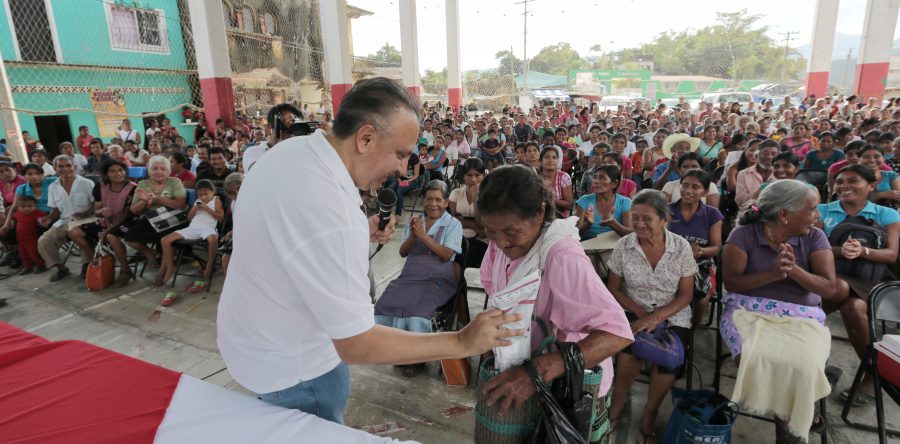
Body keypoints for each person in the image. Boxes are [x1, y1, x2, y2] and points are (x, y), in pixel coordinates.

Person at [217, 78, 522, 424]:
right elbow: (357, 343)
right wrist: (462, 342)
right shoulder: (333, 213)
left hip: (252, 345)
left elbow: (294, 242)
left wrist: (361, 233)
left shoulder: (287, 153)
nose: (404, 171)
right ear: (365, 138)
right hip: (298, 374)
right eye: (401, 154)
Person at [476, 165, 633, 442]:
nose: (500, 242)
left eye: (511, 232)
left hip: (567, 390)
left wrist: (535, 373)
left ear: (539, 212)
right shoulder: (499, 245)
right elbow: (499, 300)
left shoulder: (561, 256)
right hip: (522, 373)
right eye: (489, 231)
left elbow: (616, 333)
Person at [721, 179, 839, 442]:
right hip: (747, 311)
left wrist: (793, 269)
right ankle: (791, 418)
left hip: (802, 317)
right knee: (756, 356)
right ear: (784, 215)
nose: (817, 215)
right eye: (812, 209)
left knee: (805, 365)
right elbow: (733, 283)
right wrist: (773, 274)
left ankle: (787, 419)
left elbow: (829, 288)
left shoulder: (815, 237)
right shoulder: (743, 235)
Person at [607, 190, 698, 443]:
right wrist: (640, 314)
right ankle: (618, 402)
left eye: (647, 219)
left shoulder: (680, 248)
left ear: (665, 219)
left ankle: (650, 414)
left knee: (669, 360)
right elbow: (613, 288)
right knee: (629, 348)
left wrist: (656, 318)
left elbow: (686, 295)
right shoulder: (624, 246)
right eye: (634, 218)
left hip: (673, 313)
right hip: (633, 307)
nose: (639, 224)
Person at [816, 164, 900, 405]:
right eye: (840, 181)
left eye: (853, 181)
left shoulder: (887, 215)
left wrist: (862, 250)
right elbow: (813, 248)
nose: (844, 186)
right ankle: (816, 364)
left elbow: (891, 255)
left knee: (854, 307)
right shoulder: (822, 210)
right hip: (829, 273)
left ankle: (871, 375)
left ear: (871, 186)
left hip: (865, 277)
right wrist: (839, 250)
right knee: (844, 296)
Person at [374, 180, 463, 376]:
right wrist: (413, 236)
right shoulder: (416, 221)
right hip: (411, 275)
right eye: (429, 199)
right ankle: (400, 353)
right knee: (387, 303)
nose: (433, 204)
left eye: (438, 200)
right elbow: (403, 253)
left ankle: (418, 358)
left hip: (438, 279)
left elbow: (447, 255)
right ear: (423, 201)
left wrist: (423, 236)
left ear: (446, 202)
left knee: (416, 311)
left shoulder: (453, 224)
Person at [154, 179, 223, 305]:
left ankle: (209, 265)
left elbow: (220, 217)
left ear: (212, 192)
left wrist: (207, 208)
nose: (203, 197)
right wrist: (194, 209)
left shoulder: (216, 200)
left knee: (213, 239)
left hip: (208, 228)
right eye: (200, 195)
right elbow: (190, 219)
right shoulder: (197, 201)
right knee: (165, 240)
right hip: (193, 228)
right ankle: (170, 267)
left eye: (206, 194)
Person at [78, 159, 138, 287]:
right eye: (112, 171)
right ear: (106, 174)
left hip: (126, 221)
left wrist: (108, 230)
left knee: (111, 236)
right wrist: (101, 211)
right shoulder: (100, 187)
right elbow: (96, 210)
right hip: (106, 221)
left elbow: (128, 214)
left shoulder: (132, 188)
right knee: (74, 232)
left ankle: (125, 270)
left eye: (120, 170)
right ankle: (99, 259)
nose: (118, 173)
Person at [37, 155, 97, 282]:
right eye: (61, 166)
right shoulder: (53, 187)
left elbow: (96, 204)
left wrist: (85, 213)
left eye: (68, 165)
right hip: (64, 221)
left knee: (78, 233)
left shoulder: (87, 183)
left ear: (74, 167)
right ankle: (61, 268)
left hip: (86, 220)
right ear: (55, 168)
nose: (65, 169)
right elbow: (55, 210)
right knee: (44, 241)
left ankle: (87, 265)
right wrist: (48, 218)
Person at [124, 155, 187, 269]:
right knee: (130, 239)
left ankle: (165, 265)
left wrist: (157, 199)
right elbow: (134, 210)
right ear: (149, 171)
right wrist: (144, 201)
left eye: (163, 169)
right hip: (150, 219)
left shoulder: (175, 182)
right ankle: (150, 253)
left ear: (168, 172)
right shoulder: (143, 184)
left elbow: (180, 205)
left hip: (173, 219)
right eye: (155, 168)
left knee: (163, 237)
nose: (159, 172)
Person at [576, 164, 634, 240]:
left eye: (602, 178)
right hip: (588, 247)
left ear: (614, 184)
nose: (596, 181)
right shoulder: (584, 200)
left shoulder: (625, 202)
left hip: (614, 247)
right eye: (595, 177)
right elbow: (574, 233)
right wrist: (588, 223)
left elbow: (631, 235)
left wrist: (613, 223)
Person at [448, 158, 487, 268]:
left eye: (477, 175)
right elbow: (452, 219)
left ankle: (458, 281)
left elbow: (482, 225)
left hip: (482, 238)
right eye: (469, 175)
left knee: (465, 254)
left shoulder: (489, 196)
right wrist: (474, 225)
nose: (473, 179)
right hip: (459, 234)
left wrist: (476, 199)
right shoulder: (456, 193)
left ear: (483, 176)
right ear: (464, 176)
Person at [0, 195, 46, 274]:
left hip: (32, 239)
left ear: (35, 206)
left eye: (30, 206)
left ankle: (41, 265)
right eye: (23, 206)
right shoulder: (18, 214)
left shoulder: (37, 213)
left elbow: (44, 219)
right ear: (18, 207)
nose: (26, 208)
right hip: (20, 239)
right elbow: (13, 219)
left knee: (34, 253)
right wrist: (11, 222)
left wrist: (42, 221)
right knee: (22, 254)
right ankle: (28, 266)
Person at [735, 139, 779, 206]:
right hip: (751, 212)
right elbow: (739, 200)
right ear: (756, 156)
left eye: (773, 154)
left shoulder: (781, 174)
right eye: (765, 153)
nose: (769, 157)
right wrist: (759, 192)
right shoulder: (743, 174)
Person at [539, 147, 574, 218]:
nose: (551, 160)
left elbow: (569, 205)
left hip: (560, 219)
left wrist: (551, 199)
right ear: (540, 161)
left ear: (558, 160)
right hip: (540, 217)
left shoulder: (564, 177)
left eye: (554, 157)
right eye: (547, 157)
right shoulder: (536, 178)